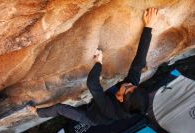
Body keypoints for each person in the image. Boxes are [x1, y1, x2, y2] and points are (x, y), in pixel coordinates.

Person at [28, 8, 159, 126]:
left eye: (128, 87)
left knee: (61, 109)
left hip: (91, 117)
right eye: (134, 85)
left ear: (120, 98)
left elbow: (92, 84)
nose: (129, 83)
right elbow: (139, 62)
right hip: (107, 102)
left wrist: (98, 63)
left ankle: (37, 113)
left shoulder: (110, 108)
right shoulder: (131, 90)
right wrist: (149, 27)